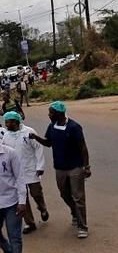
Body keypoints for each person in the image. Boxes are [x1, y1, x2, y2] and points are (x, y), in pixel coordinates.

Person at [29, 101, 91, 238]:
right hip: (60, 167)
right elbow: (48, 143)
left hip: (75, 167)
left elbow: (83, 147)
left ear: (59, 113)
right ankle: (75, 212)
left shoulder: (74, 127)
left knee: (78, 197)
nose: (49, 115)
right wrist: (36, 138)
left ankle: (82, 226)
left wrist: (87, 166)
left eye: (51, 112)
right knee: (64, 194)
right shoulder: (52, 126)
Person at [0, 111, 48, 234]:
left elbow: (38, 148)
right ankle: (30, 223)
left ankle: (42, 208)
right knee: (22, 198)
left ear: (15, 122)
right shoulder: (6, 136)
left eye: (8, 122)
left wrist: (40, 166)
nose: (6, 124)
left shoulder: (29, 132)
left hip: (30, 168)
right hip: (16, 172)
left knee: (36, 193)